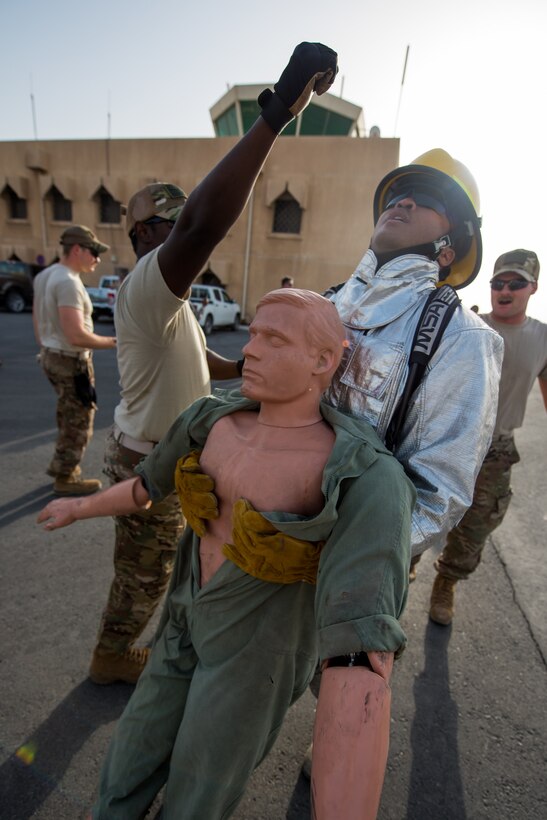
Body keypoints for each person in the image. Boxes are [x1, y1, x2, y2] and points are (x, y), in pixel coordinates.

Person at [38, 288, 415, 820]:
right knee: (131, 755)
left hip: (258, 654)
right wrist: (80, 509)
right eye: (254, 332)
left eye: (275, 338)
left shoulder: (362, 475)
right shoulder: (210, 421)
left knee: (203, 783)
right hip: (182, 622)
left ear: (324, 360)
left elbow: (362, 649)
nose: (250, 349)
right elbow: (148, 485)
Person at [88, 42, 339, 687]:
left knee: (169, 565)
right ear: (143, 236)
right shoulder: (147, 284)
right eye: (164, 227)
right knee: (141, 575)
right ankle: (112, 655)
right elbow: (202, 226)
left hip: (171, 451)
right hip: (149, 455)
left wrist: (263, 358)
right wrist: (276, 114)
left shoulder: (172, 304)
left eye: (177, 223)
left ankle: (143, 644)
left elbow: (213, 367)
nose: (177, 236)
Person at [429, 248, 547, 624]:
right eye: (498, 282)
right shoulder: (469, 325)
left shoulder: (543, 338)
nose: (505, 289)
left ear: (534, 287)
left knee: (477, 524)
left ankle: (446, 583)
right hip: (449, 435)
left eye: (516, 283)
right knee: (421, 508)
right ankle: (406, 565)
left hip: (498, 448)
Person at [32, 225, 116, 496]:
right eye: (94, 252)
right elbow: (77, 335)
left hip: (51, 354)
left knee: (67, 415)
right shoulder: (68, 282)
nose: (97, 259)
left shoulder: (45, 276)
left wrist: (46, 346)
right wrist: (116, 341)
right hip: (70, 360)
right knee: (80, 419)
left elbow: (37, 319)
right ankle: (66, 476)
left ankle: (62, 465)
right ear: (77, 249)